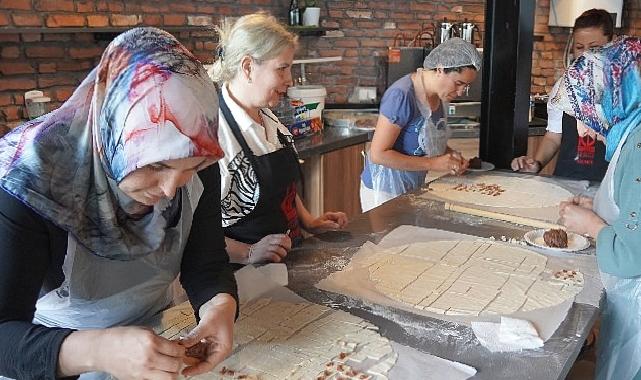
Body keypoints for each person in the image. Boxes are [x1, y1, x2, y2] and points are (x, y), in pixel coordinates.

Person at [0, 27, 238, 379]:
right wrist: (99, 350)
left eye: (191, 168)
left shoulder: (195, 156)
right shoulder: (30, 182)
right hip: (47, 352)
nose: (172, 189)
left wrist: (220, 308)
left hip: (151, 340)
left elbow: (206, 263)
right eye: (156, 165)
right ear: (111, 134)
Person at [208, 13, 348, 265]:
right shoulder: (213, 134)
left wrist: (310, 222)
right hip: (240, 276)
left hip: (289, 259)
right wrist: (247, 253)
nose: (290, 79)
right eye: (282, 68)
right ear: (248, 67)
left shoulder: (268, 117)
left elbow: (283, 186)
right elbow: (194, 231)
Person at [551, 36, 641, 380]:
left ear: (610, 100)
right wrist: (598, 208)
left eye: (586, 114)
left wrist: (591, 225)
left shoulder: (638, 145)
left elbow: (633, 256)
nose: (585, 130)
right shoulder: (631, 130)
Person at [359, 37, 481, 212]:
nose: (461, 92)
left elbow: (425, 140)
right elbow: (378, 155)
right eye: (458, 83)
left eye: (466, 86)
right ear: (440, 69)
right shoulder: (401, 96)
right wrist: (433, 164)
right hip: (383, 190)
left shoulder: (437, 97)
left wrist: (450, 156)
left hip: (412, 186)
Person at [511, 9, 614, 181]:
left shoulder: (626, 90)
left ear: (612, 44)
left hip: (609, 190)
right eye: (580, 47)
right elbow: (553, 136)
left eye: (594, 47)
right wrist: (536, 163)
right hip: (565, 183)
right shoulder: (564, 87)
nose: (586, 54)